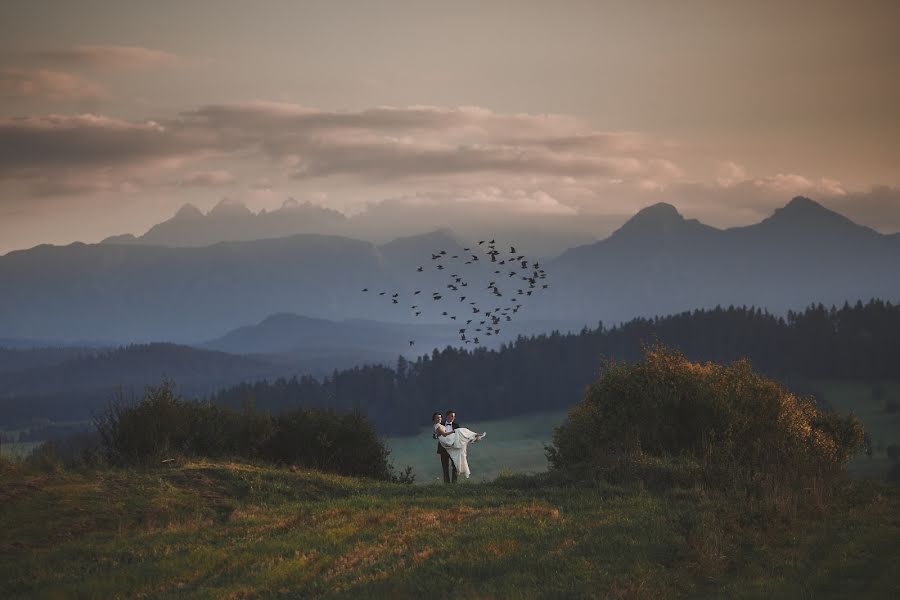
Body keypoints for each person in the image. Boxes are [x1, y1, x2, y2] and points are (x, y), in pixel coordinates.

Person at [433, 410, 486, 482]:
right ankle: (447, 484)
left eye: (454, 416)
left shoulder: (456, 425)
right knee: (445, 467)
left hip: (454, 447)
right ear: (447, 416)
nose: (453, 418)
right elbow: (435, 435)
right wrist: (439, 435)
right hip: (444, 448)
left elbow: (460, 436)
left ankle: (454, 483)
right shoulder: (440, 424)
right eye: (452, 416)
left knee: (455, 465)